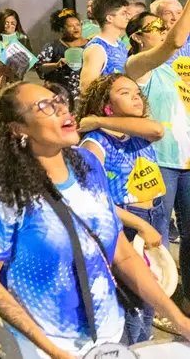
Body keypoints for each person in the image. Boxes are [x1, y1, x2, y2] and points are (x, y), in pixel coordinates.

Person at [0, 83, 190, 358]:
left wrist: (179, 320)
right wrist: (52, 351)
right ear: (18, 129)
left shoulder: (88, 165)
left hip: (109, 334)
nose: (62, 109)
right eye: (45, 106)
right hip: (38, 346)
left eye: (59, 100)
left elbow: (123, 254)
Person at [76, 74, 166, 343]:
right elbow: (92, 199)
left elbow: (158, 130)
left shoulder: (138, 131)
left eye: (137, 93)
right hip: (128, 223)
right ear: (107, 105)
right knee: (132, 300)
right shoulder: (95, 142)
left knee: (152, 291)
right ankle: (129, 347)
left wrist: (99, 120)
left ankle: (143, 344)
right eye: (125, 93)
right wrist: (141, 225)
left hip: (154, 214)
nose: (136, 97)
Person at [122, 1, 190, 317]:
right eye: (155, 26)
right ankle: (153, 305)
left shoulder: (181, 66)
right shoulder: (138, 66)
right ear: (136, 37)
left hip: (188, 161)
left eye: (164, 26)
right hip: (159, 161)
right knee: (155, 236)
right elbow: (174, 41)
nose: (163, 30)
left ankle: (186, 300)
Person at [36, 9, 88, 104]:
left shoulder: (91, 45)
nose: (76, 28)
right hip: (58, 97)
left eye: (78, 25)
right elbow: (39, 67)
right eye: (71, 26)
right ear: (62, 29)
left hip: (84, 97)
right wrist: (56, 65)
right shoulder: (52, 46)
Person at [80, 0, 132, 88]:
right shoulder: (96, 49)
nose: (128, 17)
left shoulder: (120, 44)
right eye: (123, 13)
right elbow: (86, 87)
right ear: (109, 18)